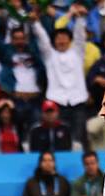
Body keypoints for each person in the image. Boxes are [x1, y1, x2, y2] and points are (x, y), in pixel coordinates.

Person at [30, 5, 89, 148]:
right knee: (60, 141)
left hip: (78, 101)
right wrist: (35, 23)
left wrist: (80, 19)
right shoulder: (50, 56)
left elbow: (80, 37)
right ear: (54, 41)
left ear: (70, 40)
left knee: (78, 142)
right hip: (57, 102)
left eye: (64, 38)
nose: (61, 41)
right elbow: (42, 40)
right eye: (58, 38)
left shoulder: (77, 53)